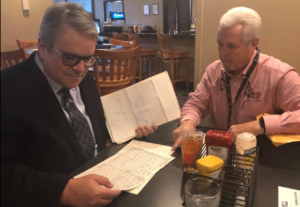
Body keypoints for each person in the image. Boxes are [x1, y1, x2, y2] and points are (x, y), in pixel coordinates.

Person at [1, 3, 156, 207]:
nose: (81, 69)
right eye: (70, 57)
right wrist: (63, 190)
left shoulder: (85, 80)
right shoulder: (8, 89)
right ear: (42, 49)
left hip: (102, 186)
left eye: (89, 58)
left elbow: (94, 134)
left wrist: (128, 129)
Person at [172, 7, 300, 150]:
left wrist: (259, 125)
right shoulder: (213, 71)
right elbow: (196, 104)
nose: (222, 54)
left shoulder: (280, 75)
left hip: (263, 157)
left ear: (253, 44)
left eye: (231, 46)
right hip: (219, 153)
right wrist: (187, 122)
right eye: (220, 44)